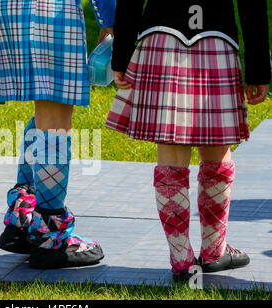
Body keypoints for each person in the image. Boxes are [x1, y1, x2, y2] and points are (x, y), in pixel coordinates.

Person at [106, 0, 270, 281]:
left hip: (160, 39)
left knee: (170, 152)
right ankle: (214, 251)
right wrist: (258, 68)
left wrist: (121, 55)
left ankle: (182, 260)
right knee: (218, 150)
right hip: (217, 39)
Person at [0, 0, 116, 268]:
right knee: (55, 115)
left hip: (3, 7)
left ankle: (23, 219)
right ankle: (51, 235)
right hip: (52, 9)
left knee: (46, 111)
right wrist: (108, 20)